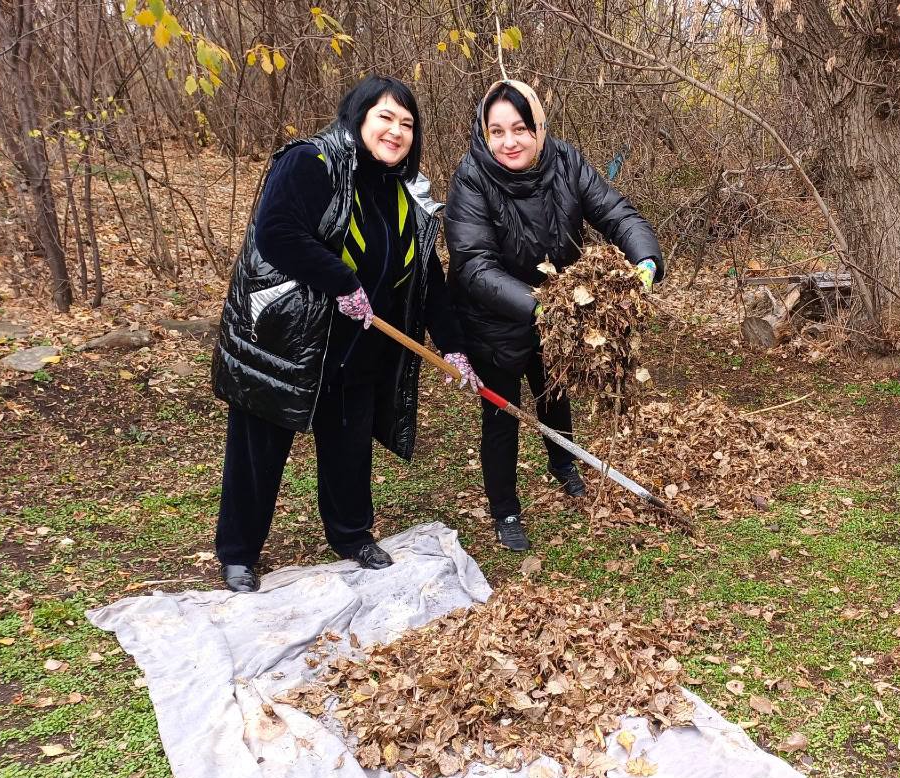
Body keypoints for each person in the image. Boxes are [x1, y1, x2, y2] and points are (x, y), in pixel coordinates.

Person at [210, 76, 477, 592]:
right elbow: (277, 232)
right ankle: (239, 552)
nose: (396, 131)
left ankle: (352, 535)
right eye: (385, 117)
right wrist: (342, 281)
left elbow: (428, 280)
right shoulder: (313, 162)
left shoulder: (405, 196)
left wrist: (455, 347)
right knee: (258, 450)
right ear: (358, 117)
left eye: (407, 123)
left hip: (358, 350)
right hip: (287, 344)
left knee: (349, 449)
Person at [445, 79, 663, 551]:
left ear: (540, 128)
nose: (509, 142)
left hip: (555, 314)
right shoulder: (470, 177)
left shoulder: (567, 162)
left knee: (554, 391)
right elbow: (473, 265)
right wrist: (542, 305)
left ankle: (562, 463)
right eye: (496, 131)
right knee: (502, 414)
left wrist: (645, 260)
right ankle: (505, 509)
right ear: (484, 133)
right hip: (494, 322)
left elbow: (617, 214)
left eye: (521, 128)